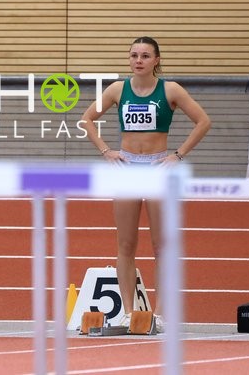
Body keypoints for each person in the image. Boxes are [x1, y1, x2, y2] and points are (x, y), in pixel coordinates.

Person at [81, 36, 211, 331]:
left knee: (161, 246)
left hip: (157, 167)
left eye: (144, 56)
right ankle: (129, 312)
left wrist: (178, 155)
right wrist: (106, 150)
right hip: (126, 167)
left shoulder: (170, 90)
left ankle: (161, 314)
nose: (138, 60)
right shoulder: (117, 89)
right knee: (125, 244)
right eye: (133, 55)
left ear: (156, 60)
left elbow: (203, 121)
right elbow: (87, 119)